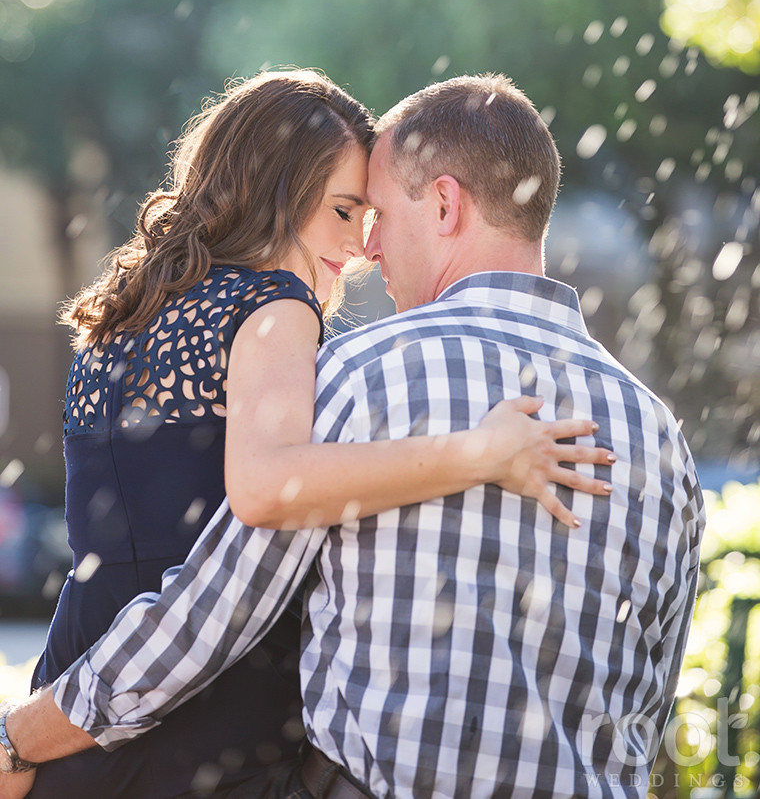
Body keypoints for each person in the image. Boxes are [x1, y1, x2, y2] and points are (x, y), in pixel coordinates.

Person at [0, 73, 703, 799]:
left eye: (376, 216)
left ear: (444, 203)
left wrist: (22, 737)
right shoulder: (659, 435)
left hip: (114, 721)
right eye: (346, 213)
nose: (368, 250)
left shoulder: (360, 373)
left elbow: (211, 612)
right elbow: (649, 705)